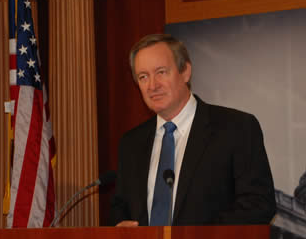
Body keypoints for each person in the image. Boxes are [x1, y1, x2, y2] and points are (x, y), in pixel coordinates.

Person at [110, 33, 276, 227]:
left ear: (186, 72)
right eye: (143, 77)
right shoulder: (132, 143)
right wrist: (120, 226)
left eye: (161, 72)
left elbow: (258, 206)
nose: (152, 85)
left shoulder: (236, 128)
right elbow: (120, 207)